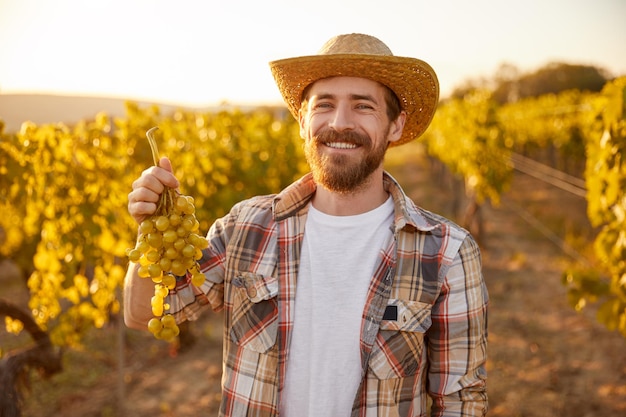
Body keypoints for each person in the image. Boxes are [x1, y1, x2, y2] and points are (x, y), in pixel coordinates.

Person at [124, 33, 489, 416]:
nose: (339, 123)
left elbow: (460, 402)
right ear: (302, 121)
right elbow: (143, 314)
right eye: (324, 105)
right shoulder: (245, 227)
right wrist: (152, 227)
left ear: (395, 126)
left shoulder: (447, 252)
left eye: (363, 106)